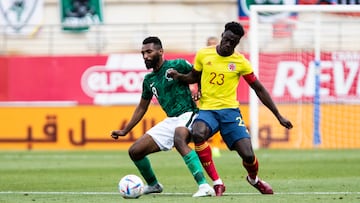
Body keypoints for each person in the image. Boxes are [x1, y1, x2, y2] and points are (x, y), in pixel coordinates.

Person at [168, 21, 293, 195]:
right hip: (207, 111)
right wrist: (179, 76)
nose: (228, 44)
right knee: (197, 133)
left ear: (237, 43)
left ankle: (253, 179)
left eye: (232, 42)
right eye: (226, 39)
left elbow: (259, 88)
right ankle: (218, 182)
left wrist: (278, 115)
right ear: (222, 35)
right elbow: (193, 76)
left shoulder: (240, 62)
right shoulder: (204, 54)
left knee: (248, 155)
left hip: (230, 112)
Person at [110, 36, 216, 197]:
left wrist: (200, 89)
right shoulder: (148, 80)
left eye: (149, 52)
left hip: (188, 113)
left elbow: (198, 74)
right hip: (171, 120)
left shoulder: (177, 64)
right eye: (143, 53)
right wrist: (125, 130)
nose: (145, 56)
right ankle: (153, 185)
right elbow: (141, 107)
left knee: (179, 139)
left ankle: (204, 185)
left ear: (160, 51)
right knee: (135, 151)